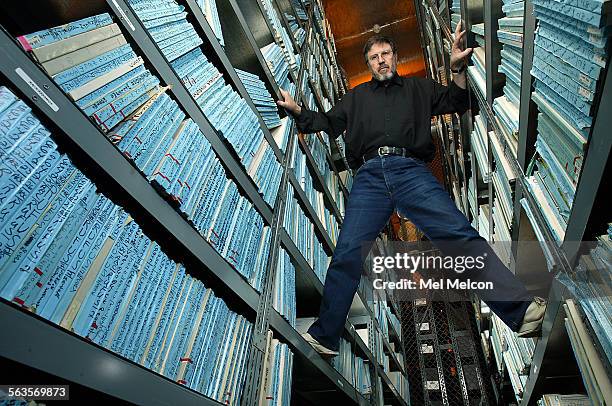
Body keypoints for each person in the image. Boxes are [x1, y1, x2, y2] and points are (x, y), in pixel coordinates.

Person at [277, 22, 546, 357]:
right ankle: (325, 336)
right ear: (369, 65)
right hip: (370, 177)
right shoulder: (356, 98)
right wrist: (297, 110)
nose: (381, 60)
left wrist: (458, 67)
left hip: (411, 171)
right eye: (374, 57)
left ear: (395, 56)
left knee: (458, 236)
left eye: (385, 53)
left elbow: (456, 99)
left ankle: (522, 313)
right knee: (347, 251)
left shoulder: (419, 89)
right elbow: (328, 124)